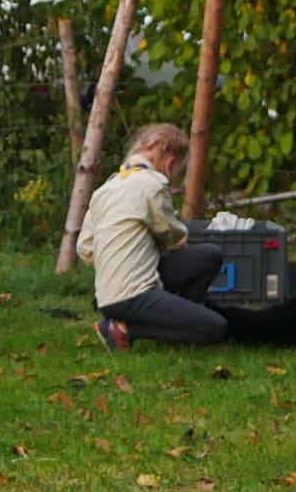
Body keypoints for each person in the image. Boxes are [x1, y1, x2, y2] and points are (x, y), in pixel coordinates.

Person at [86, 122, 225, 349]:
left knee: (208, 256)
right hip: (133, 294)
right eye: (178, 171)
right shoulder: (152, 185)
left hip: (106, 294)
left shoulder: (105, 189)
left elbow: (85, 249)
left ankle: (173, 327)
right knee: (215, 327)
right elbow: (174, 238)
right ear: (170, 163)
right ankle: (123, 329)